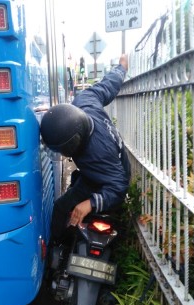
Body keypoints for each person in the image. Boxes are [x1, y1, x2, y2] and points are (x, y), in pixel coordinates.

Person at [41, 54, 131, 245]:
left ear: (75, 143)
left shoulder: (98, 155)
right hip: (100, 170)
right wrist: (121, 67)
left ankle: (57, 246)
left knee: (61, 207)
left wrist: (90, 203)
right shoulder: (85, 101)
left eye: (66, 150)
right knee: (74, 186)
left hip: (110, 178)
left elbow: (120, 187)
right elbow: (108, 85)